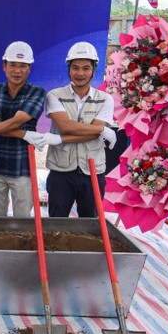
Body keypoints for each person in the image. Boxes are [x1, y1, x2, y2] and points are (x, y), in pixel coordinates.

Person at [44, 41, 117, 217]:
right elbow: (65, 126)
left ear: (94, 70)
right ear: (69, 69)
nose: (80, 73)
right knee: (56, 223)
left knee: (90, 224)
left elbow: (90, 134)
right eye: (75, 68)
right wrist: (101, 130)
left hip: (93, 172)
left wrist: (60, 138)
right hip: (61, 172)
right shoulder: (54, 95)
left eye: (86, 68)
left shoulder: (105, 99)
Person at [0, 41, 48, 217]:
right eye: (13, 65)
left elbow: (18, 120)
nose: (17, 71)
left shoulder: (37, 92)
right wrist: (25, 134)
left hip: (23, 167)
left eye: (23, 66)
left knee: (23, 220)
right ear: (4, 66)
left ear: (29, 68)